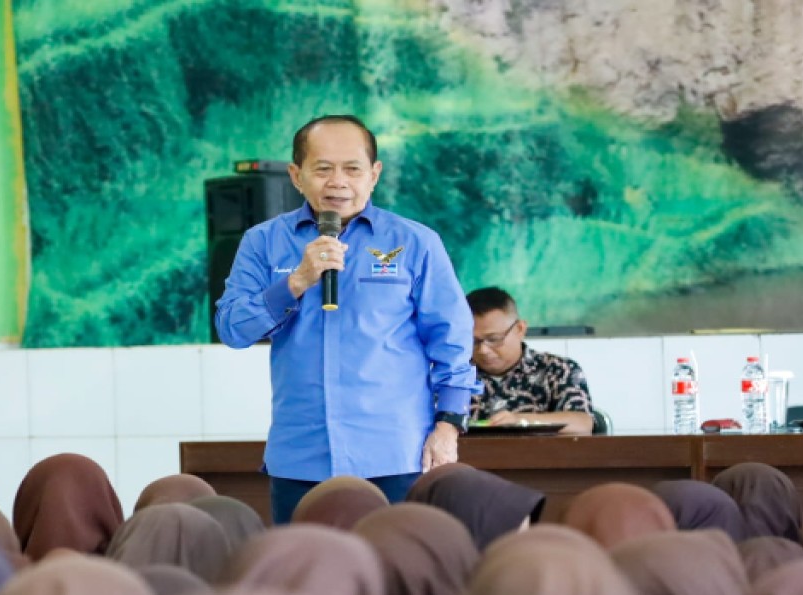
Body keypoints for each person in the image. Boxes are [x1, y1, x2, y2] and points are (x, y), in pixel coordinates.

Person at [215, 115, 478, 524]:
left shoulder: (416, 242)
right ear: (296, 176)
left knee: (398, 575)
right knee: (304, 577)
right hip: (300, 457)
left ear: (374, 175)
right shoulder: (262, 242)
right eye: (323, 169)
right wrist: (297, 281)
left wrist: (448, 428)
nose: (338, 181)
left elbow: (452, 342)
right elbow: (232, 329)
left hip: (395, 455)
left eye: (352, 169)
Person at [466, 287, 594, 435]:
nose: (483, 350)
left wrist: (520, 420)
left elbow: (582, 423)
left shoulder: (558, 369)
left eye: (494, 339)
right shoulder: (453, 375)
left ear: (520, 329)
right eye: (473, 341)